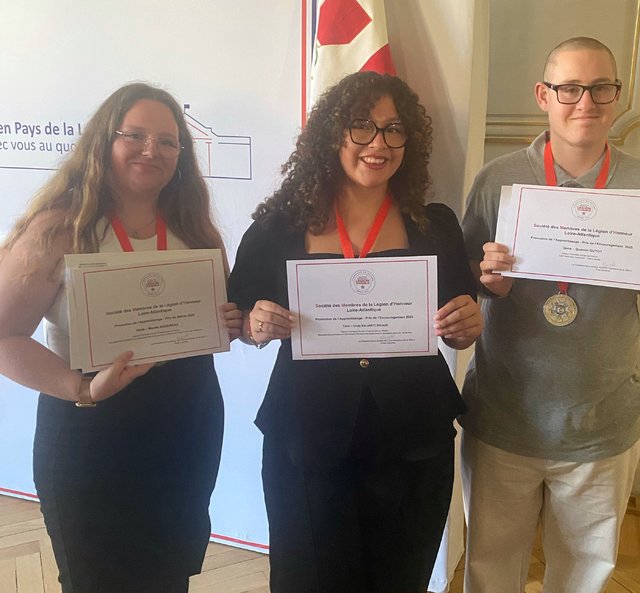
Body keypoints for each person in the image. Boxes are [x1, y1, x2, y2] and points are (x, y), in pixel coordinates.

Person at [227, 71, 483, 593]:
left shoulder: (435, 225)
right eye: (361, 127)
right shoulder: (279, 227)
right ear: (332, 135)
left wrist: (465, 326)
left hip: (414, 437)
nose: (378, 144)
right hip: (306, 435)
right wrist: (254, 325)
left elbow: (458, 323)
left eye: (394, 129)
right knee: (306, 579)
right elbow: (236, 318)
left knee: (401, 578)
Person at [460, 37, 640, 593]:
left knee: (585, 572)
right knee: (490, 566)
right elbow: (464, 284)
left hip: (601, 421)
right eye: (569, 88)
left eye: (600, 88)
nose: (585, 102)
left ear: (617, 96)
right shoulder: (498, 179)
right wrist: (486, 282)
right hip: (505, 415)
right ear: (544, 95)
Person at [0, 82, 243, 593]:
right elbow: (3, 335)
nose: (151, 150)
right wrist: (80, 388)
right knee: (97, 578)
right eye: (134, 135)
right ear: (103, 141)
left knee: (170, 575)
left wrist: (235, 323)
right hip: (91, 426)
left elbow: (219, 320)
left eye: (168, 141)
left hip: (186, 423)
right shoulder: (58, 230)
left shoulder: (196, 230)